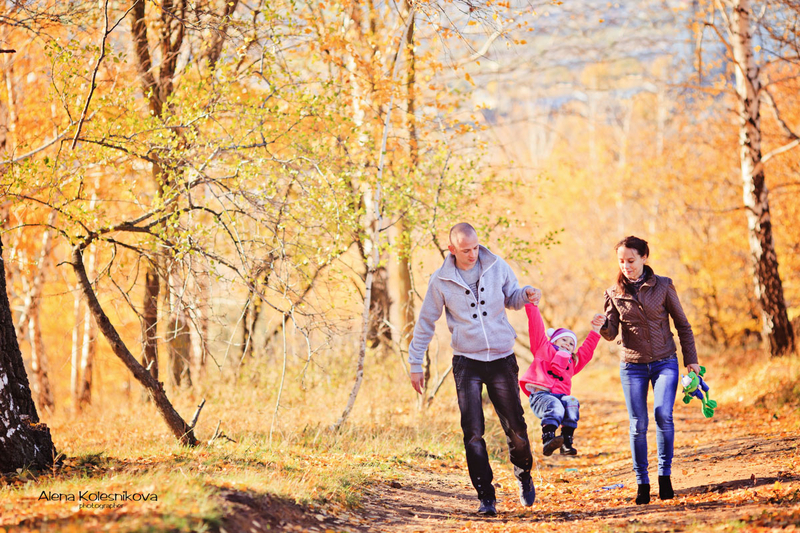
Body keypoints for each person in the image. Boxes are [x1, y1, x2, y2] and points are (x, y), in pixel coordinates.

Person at [408, 222, 540, 516]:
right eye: (465, 250)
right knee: (473, 433)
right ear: (451, 249)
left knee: (516, 428)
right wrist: (415, 363)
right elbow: (426, 322)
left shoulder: (496, 265)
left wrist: (526, 294)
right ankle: (486, 497)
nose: (472, 254)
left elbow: (512, 297)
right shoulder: (440, 281)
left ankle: (523, 474)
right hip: (467, 362)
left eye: (476, 247)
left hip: (502, 358)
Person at [600, 236, 701, 505]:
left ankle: (664, 477)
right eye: (621, 261)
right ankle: (642, 483)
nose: (626, 266)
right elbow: (611, 333)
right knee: (638, 424)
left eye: (631, 260)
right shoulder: (613, 293)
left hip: (664, 361)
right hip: (632, 366)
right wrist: (602, 325)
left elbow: (683, 325)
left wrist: (691, 360)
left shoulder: (664, 286)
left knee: (663, 414)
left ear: (644, 257)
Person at [519, 303, 605, 457]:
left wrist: (595, 331)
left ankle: (566, 442)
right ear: (554, 341)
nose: (568, 344)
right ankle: (548, 439)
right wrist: (532, 305)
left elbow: (586, 352)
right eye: (564, 339)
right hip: (541, 396)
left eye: (572, 343)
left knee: (572, 402)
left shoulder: (572, 362)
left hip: (561, 396)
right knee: (555, 405)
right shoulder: (543, 349)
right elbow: (536, 327)